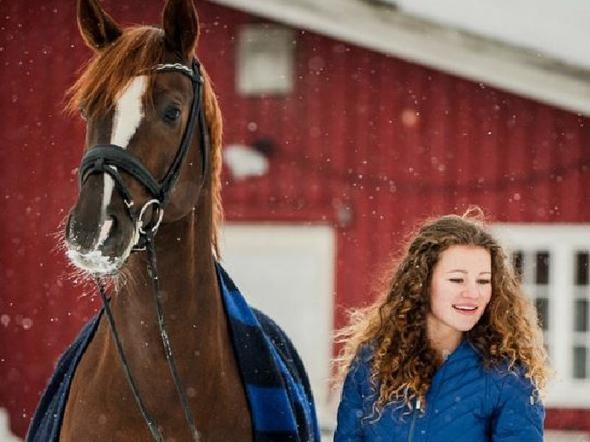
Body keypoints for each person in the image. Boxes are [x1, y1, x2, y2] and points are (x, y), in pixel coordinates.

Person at [334, 209, 549, 441]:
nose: (473, 293)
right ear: (422, 283)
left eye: (484, 281)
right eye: (457, 279)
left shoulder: (507, 376)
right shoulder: (373, 361)